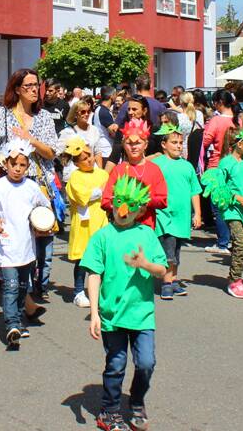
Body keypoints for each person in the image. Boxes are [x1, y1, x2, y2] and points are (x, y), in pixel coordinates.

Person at [82, 176, 167, 431]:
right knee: (116, 364)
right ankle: (109, 411)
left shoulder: (147, 235)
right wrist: (94, 313)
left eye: (129, 205)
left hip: (141, 314)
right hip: (112, 316)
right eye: (119, 202)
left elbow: (162, 271)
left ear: (140, 210)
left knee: (146, 363)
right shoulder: (102, 237)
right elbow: (94, 275)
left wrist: (145, 264)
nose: (122, 210)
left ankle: (137, 401)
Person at [0, 69, 59, 301]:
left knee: (43, 239)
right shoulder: (1, 115)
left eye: (37, 85)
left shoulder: (44, 117)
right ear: (17, 89)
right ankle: (19, 290)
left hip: (36, 183)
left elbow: (52, 152)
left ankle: (38, 286)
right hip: (9, 185)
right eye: (29, 86)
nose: (35, 90)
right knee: (15, 239)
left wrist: (30, 138)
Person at [0, 138, 50, 348]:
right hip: (6, 246)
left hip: (26, 247)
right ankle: (11, 325)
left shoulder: (32, 187)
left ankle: (18, 320)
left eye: (22, 165)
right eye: (13, 164)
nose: (17, 169)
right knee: (10, 286)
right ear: (6, 164)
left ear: (28, 166)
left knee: (21, 286)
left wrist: (41, 224)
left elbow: (44, 210)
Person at [202, 123, 243, 298]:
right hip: (232, 210)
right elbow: (220, 187)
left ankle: (240, 271)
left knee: (241, 245)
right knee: (240, 243)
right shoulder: (226, 162)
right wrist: (237, 198)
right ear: (239, 144)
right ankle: (234, 280)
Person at [150, 123, 202, 300]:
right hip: (164, 216)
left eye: (181, 142)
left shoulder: (187, 166)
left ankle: (173, 280)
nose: (179, 146)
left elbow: (194, 190)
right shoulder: (157, 164)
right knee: (169, 252)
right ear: (164, 144)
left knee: (177, 252)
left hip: (182, 217)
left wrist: (198, 213)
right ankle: (166, 283)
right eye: (174, 142)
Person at [64, 136, 108, 309]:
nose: (89, 160)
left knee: (102, 258)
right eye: (84, 158)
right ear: (76, 163)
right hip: (84, 223)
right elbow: (84, 197)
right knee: (82, 258)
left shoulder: (102, 173)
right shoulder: (75, 177)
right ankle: (78, 291)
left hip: (101, 220)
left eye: (89, 156)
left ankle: (100, 289)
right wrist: (99, 191)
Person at [102, 120, 168, 233]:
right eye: (129, 143)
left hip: (145, 228)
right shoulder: (119, 170)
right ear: (123, 145)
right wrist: (117, 203)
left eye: (138, 143)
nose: (133, 147)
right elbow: (105, 201)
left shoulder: (154, 169)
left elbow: (163, 200)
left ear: (145, 145)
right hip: (121, 228)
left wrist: (144, 201)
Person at [201, 89, 237, 254]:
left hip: (217, 166)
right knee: (232, 204)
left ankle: (223, 242)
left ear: (220, 103)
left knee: (218, 206)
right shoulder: (238, 120)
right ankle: (234, 239)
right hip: (235, 166)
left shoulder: (216, 121)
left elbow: (205, 140)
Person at [58, 100, 106, 180]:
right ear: (76, 114)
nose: (86, 114)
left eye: (89, 111)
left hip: (91, 173)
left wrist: (100, 173)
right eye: (83, 112)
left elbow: (98, 153)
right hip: (74, 175)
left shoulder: (94, 130)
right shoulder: (67, 132)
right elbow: (58, 153)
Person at [175, 91, 204, 162]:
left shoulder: (178, 117)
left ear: (181, 102)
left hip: (182, 151)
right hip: (196, 151)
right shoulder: (199, 114)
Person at [93, 87, 118, 162]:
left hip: (103, 150)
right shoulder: (104, 112)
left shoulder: (100, 109)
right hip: (106, 151)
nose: (116, 97)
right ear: (112, 96)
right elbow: (114, 133)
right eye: (115, 95)